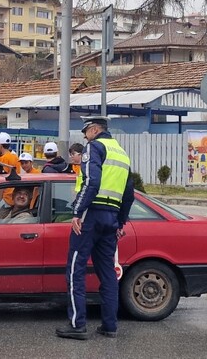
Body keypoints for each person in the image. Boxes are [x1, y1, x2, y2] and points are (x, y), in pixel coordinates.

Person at [57, 117, 133, 340]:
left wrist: (77, 212)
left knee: (75, 269)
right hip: (111, 218)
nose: (85, 137)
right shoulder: (121, 152)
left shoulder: (95, 146)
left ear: (95, 129)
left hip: (91, 214)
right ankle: (110, 326)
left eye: (86, 132)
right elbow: (129, 194)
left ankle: (77, 325)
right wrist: (121, 222)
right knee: (108, 273)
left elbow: (91, 181)